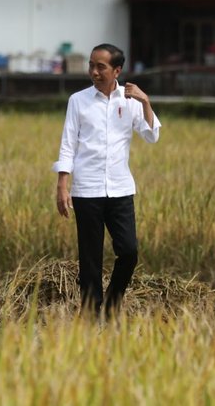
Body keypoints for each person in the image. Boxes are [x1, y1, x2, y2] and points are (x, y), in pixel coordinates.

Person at [53, 43, 161, 319]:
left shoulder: (131, 100)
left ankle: (113, 303)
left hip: (121, 188)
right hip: (86, 189)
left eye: (101, 66)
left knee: (129, 251)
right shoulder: (78, 100)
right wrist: (62, 185)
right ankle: (91, 313)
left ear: (117, 70)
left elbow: (152, 136)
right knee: (90, 258)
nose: (94, 71)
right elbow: (68, 144)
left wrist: (145, 101)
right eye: (91, 65)